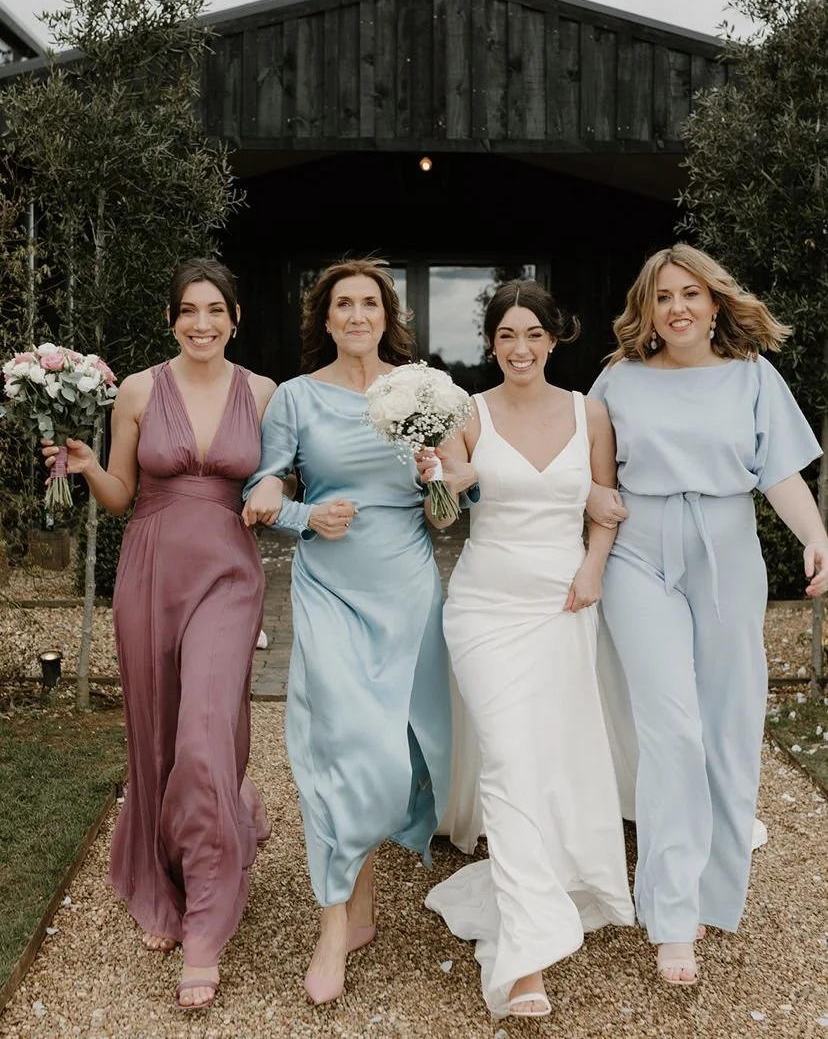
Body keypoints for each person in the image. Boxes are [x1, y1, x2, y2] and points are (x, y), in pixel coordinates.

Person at [587, 243, 827, 987]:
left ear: (715, 304)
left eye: (691, 294)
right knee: (673, 728)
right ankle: (672, 910)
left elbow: (778, 472)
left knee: (729, 718)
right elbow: (588, 475)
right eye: (663, 297)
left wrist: (817, 537)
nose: (678, 308)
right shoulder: (617, 380)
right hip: (639, 553)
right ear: (648, 310)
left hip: (727, 548)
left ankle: (715, 893)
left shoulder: (752, 377)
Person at [41, 258, 277, 1011]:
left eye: (215, 310)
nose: (201, 323)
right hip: (150, 573)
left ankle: (205, 918)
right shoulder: (139, 390)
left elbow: (281, 478)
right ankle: (167, 867)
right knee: (158, 733)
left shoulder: (266, 394)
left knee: (206, 731)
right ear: (171, 318)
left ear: (236, 318)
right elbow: (120, 495)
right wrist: (85, 467)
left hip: (230, 577)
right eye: (188, 311)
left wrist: (280, 490)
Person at [241, 257, 460, 1006]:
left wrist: (436, 478)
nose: (358, 315)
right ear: (326, 319)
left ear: (386, 315)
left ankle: (361, 897)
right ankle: (333, 924)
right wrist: (304, 515)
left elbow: (444, 517)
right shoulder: (296, 399)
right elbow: (264, 488)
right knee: (338, 747)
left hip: (405, 588)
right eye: (344, 305)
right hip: (330, 588)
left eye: (370, 302)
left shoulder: (423, 391)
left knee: (388, 756)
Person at [418, 279, 635, 1019]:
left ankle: (541, 882)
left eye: (533, 335)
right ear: (491, 344)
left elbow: (605, 505)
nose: (520, 349)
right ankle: (523, 962)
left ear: (554, 338)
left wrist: (591, 568)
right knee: (510, 761)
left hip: (563, 603)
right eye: (506, 336)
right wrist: (447, 482)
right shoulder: (465, 414)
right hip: (483, 609)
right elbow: (444, 517)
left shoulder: (590, 413)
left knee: (547, 759)